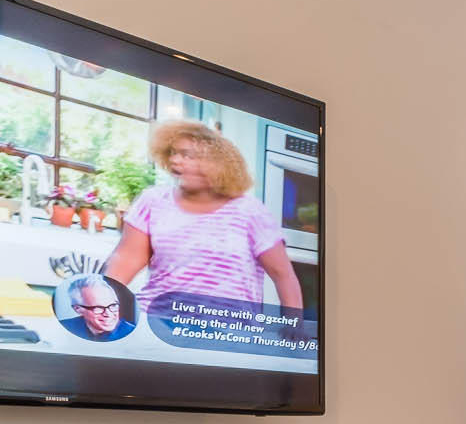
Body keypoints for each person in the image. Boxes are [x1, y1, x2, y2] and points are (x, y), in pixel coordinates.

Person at [104, 121, 303, 317]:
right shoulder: (153, 201)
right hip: (158, 325)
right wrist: (101, 303)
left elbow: (283, 275)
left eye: (187, 155)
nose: (175, 160)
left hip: (228, 330)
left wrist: (294, 325)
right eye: (173, 153)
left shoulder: (251, 211)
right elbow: (126, 260)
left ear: (217, 163)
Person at [57, 274, 134, 342]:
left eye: (113, 305)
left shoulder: (130, 333)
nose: (108, 314)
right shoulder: (63, 328)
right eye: (98, 308)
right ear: (78, 309)